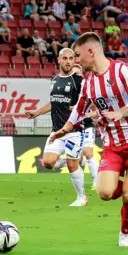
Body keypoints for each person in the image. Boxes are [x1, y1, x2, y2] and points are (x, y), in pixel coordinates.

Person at [50, 32, 128, 247]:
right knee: (105, 192)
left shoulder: (122, 70)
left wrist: (122, 112)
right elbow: (80, 109)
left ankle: (125, 233)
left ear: (91, 51)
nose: (77, 60)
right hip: (113, 143)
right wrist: (65, 129)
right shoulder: (89, 83)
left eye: (78, 55)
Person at [25, 49, 92, 207]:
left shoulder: (78, 80)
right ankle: (74, 159)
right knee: (48, 162)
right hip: (57, 130)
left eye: (71, 58)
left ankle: (82, 198)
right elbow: (53, 101)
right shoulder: (54, 80)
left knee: (72, 165)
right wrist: (37, 112)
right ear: (59, 60)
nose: (69, 61)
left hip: (74, 130)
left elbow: (89, 98)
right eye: (65, 58)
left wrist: (78, 107)